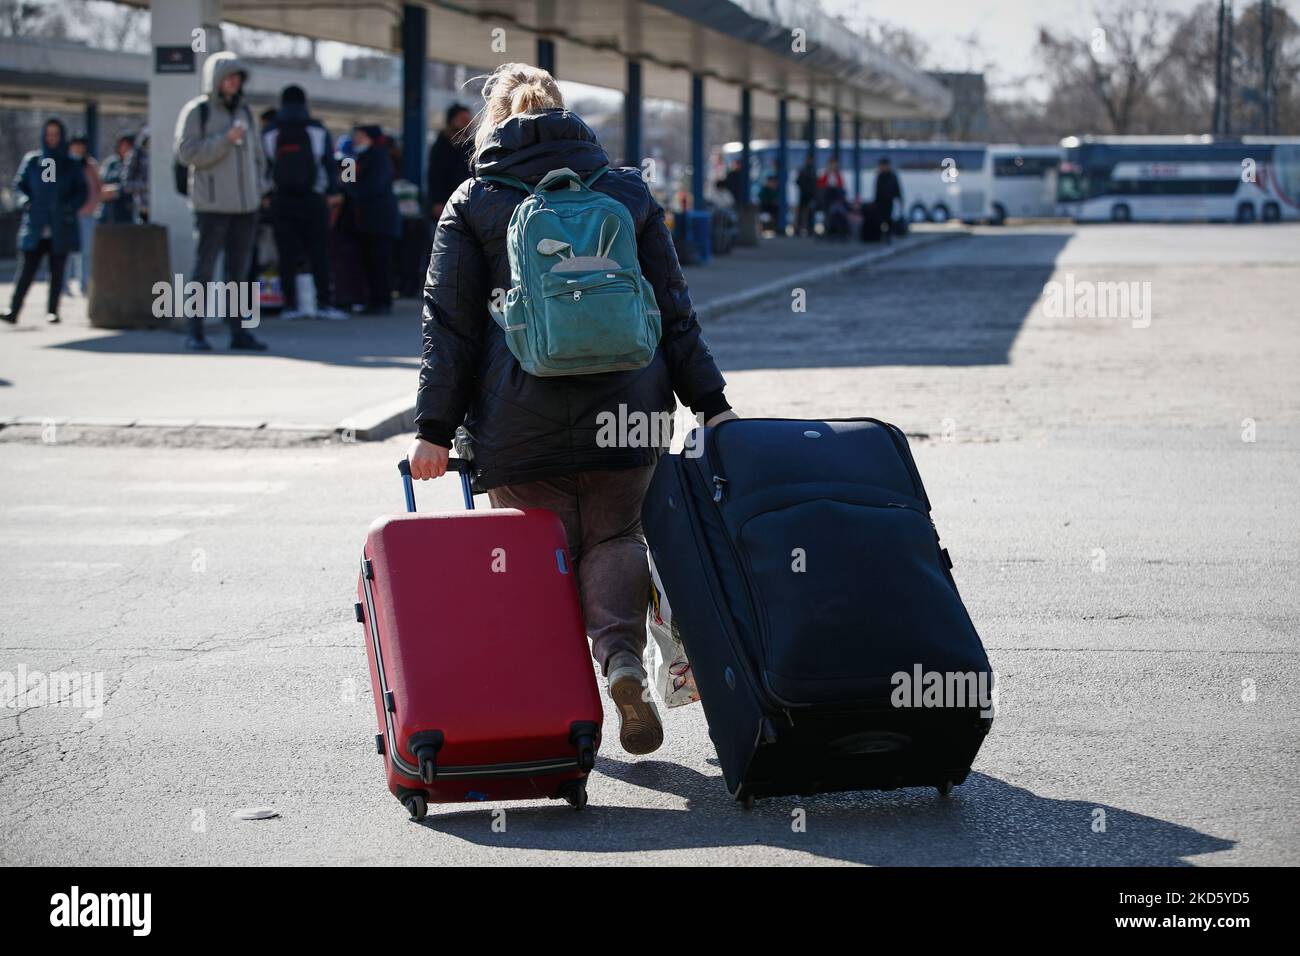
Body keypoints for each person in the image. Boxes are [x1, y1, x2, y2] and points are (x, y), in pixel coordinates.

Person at [404, 63, 737, 756]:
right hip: (630, 412)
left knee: (540, 557)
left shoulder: (473, 201)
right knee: (616, 540)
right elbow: (674, 311)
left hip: (517, 424)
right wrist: (713, 404)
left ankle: (558, 718)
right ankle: (620, 662)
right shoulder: (625, 190)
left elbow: (450, 328)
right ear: (565, 115)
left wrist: (434, 431)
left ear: (492, 122)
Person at [174, 51, 269, 351]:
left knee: (238, 273)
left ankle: (238, 332)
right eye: (228, 77)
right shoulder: (197, 111)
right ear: (215, 80)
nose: (233, 83)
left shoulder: (246, 112)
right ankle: (195, 330)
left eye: (237, 78)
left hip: (246, 206)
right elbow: (187, 153)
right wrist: (225, 139)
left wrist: (260, 187)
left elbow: (258, 157)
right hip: (211, 206)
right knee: (204, 269)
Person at [261, 85, 346, 320]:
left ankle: (290, 306)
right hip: (314, 199)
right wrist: (332, 190)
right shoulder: (317, 129)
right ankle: (325, 304)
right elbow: (329, 164)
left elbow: (263, 166)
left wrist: (265, 195)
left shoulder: (270, 131)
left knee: (286, 255)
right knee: (319, 252)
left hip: (281, 199)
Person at [3, 118, 87, 326]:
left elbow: (81, 192)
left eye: (56, 134)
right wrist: (26, 202)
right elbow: (19, 187)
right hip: (36, 225)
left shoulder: (69, 164)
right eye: (49, 134)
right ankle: (14, 309)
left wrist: (68, 207)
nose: (52, 138)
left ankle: (52, 311)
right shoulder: (34, 161)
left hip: (59, 225)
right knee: (27, 270)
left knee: (57, 272)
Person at [339, 124, 400, 315]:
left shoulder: (379, 158)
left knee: (379, 261)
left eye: (360, 136)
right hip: (365, 221)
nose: (356, 140)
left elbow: (367, 188)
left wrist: (350, 189)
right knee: (369, 261)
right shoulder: (355, 158)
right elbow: (345, 183)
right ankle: (373, 299)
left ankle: (381, 300)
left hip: (379, 220)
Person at [426, 102, 472, 222]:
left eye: (467, 119)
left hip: (467, 202)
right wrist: (437, 200)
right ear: (452, 120)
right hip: (446, 200)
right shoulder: (442, 144)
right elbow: (435, 174)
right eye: (462, 119)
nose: (466, 123)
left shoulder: (470, 144)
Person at [67, 135, 102, 296]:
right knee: (67, 252)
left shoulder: (90, 165)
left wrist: (93, 204)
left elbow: (98, 187)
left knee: (87, 252)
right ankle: (62, 286)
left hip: (87, 213)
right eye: (75, 145)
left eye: (81, 145)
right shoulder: (62, 164)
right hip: (69, 215)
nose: (78, 148)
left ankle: (85, 285)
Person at [97, 135, 136, 224]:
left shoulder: (135, 164)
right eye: (122, 145)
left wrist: (118, 191)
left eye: (128, 146)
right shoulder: (111, 163)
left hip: (126, 207)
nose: (125, 149)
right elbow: (101, 180)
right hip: (108, 208)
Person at [873, 156, 903, 242]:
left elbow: (897, 189)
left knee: (889, 219)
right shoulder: (879, 176)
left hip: (889, 201)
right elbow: (877, 191)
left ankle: (888, 235)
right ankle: (881, 235)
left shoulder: (892, 176)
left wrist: (900, 199)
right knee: (880, 219)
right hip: (880, 202)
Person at [795, 155, 817, 236]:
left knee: (808, 212)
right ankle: (800, 229)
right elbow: (798, 181)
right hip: (805, 194)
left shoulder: (809, 171)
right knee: (802, 212)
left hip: (809, 194)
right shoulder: (805, 171)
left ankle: (808, 229)